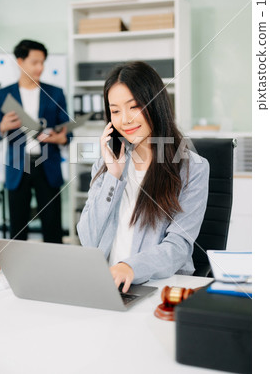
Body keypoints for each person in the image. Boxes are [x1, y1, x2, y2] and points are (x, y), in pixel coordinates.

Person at [77, 61, 209, 293]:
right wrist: (113, 177)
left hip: (159, 286)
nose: (125, 120)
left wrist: (130, 267)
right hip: (108, 286)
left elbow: (178, 246)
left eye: (134, 106)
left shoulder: (192, 169)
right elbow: (88, 240)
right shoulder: (107, 163)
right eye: (115, 111)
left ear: (155, 104)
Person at [0, 39, 70, 243]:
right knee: (18, 229)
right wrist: (3, 126)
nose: (40, 68)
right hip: (18, 166)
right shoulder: (3, 95)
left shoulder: (55, 93)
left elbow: (67, 133)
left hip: (47, 165)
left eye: (42, 62)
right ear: (20, 61)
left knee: (52, 227)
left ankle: (55, 270)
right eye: (34, 62)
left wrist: (60, 137)